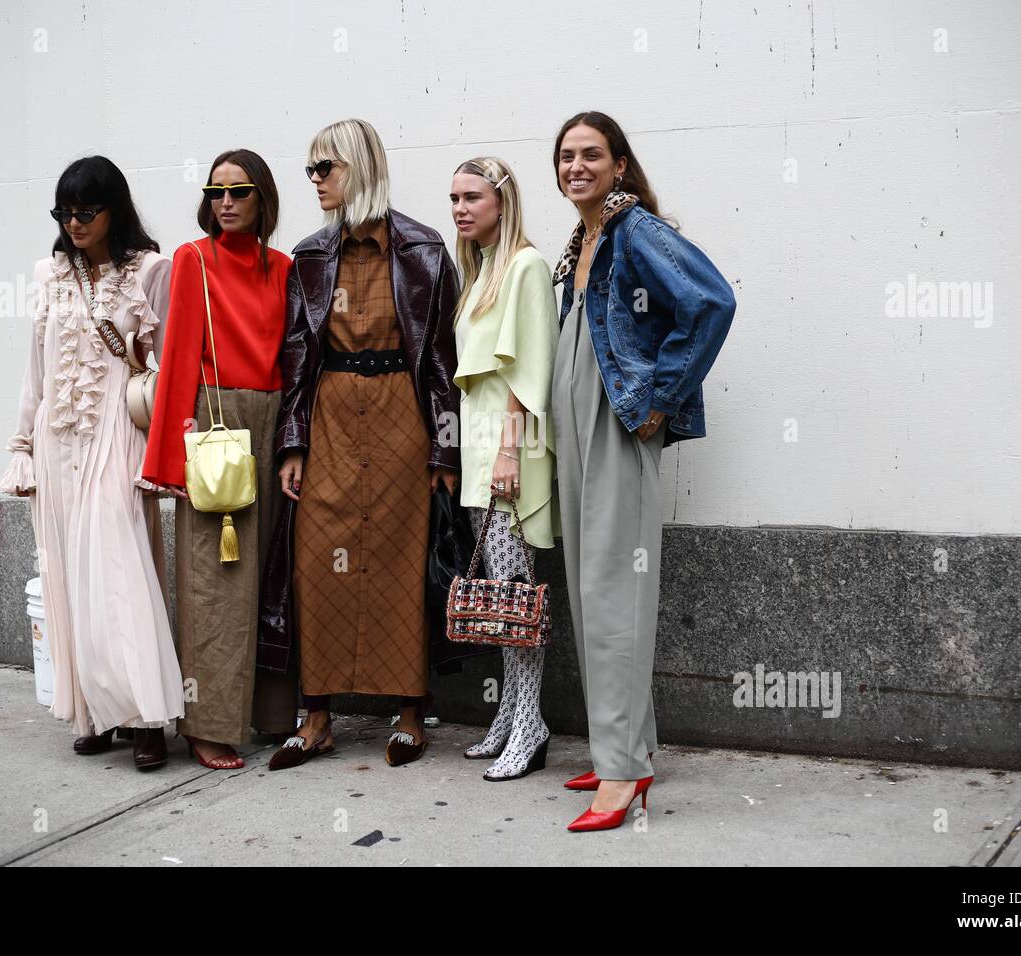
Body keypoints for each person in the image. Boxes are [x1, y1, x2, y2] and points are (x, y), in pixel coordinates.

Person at [549, 111, 736, 831]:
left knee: (615, 594)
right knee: (590, 589)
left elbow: (711, 303)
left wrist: (660, 399)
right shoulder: (581, 240)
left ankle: (624, 777)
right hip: (577, 425)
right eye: (565, 156)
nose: (576, 166)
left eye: (591, 154)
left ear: (619, 165)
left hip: (616, 422)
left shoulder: (637, 231)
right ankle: (624, 746)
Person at [259, 118, 460, 770]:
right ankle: (314, 717)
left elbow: (444, 363)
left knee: (403, 562)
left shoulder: (424, 251)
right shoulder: (312, 256)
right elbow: (296, 358)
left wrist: (446, 451)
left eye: (327, 168)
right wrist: (292, 444)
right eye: (312, 170)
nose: (315, 181)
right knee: (318, 562)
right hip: (332, 420)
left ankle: (410, 714)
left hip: (404, 417)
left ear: (361, 169)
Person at [0, 155, 183, 770]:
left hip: (116, 436)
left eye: (86, 210)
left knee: (120, 575)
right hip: (58, 443)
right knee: (70, 582)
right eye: (64, 212)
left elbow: (167, 367)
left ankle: (148, 716)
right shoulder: (48, 276)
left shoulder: (150, 270)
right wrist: (21, 448)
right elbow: (35, 371)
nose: (74, 223)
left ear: (114, 209)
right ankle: (98, 712)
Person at [139, 149, 297, 769]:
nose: (225, 202)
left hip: (273, 415)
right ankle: (205, 723)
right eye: (216, 192)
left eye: (240, 191)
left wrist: (295, 442)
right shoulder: (192, 260)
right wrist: (167, 463)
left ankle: (265, 715)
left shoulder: (282, 267)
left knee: (267, 576)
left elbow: (293, 356)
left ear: (264, 200)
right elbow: (177, 353)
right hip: (214, 422)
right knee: (215, 582)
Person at [448, 156, 561, 780]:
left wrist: (512, 451)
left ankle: (531, 722)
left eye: (473, 197)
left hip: (510, 451)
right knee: (500, 597)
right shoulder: (485, 267)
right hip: (484, 449)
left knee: (515, 598)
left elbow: (527, 367)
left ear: (502, 200)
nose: (461, 208)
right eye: (454, 198)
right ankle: (512, 715)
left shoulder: (526, 265)